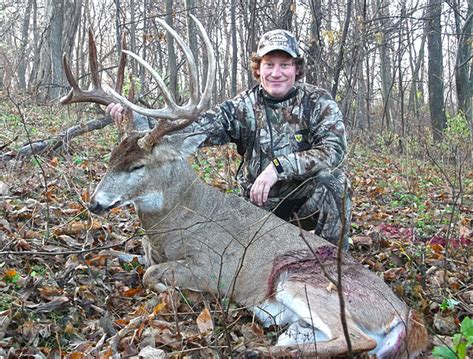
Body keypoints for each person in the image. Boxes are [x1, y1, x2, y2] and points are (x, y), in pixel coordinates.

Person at [107, 29, 352, 249]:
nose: (276, 73)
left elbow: (333, 150)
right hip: (257, 206)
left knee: (335, 184)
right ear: (259, 69)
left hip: (304, 202)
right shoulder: (242, 106)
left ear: (296, 69)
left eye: (285, 65)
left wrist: (278, 167)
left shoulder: (318, 101)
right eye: (269, 65)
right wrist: (135, 116)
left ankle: (334, 268)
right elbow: (194, 128)